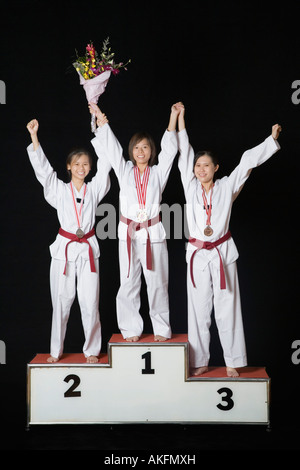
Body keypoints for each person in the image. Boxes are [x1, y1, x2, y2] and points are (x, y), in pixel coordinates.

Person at [177, 105, 281, 376]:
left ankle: (233, 362)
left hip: (223, 252)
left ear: (216, 168)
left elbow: (247, 161)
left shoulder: (226, 186)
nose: (201, 169)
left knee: (227, 308)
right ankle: (199, 361)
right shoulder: (190, 186)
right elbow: (184, 151)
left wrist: (271, 140)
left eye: (206, 165)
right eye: (198, 166)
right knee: (198, 310)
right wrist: (181, 122)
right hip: (198, 255)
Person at [90, 102, 181, 342]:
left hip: (153, 232)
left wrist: (172, 117)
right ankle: (130, 329)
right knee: (128, 281)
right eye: (137, 147)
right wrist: (101, 121)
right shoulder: (125, 170)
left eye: (145, 147)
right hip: (128, 233)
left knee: (157, 282)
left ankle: (161, 329)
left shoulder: (159, 173)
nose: (141, 151)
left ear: (152, 151)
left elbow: (170, 151)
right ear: (131, 151)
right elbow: (112, 149)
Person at [26, 115, 110, 363]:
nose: (81, 168)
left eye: (85, 164)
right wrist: (34, 137)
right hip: (64, 251)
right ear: (69, 167)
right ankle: (55, 351)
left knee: (89, 302)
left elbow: (107, 163)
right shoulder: (59, 190)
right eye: (77, 164)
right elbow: (43, 171)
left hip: (88, 251)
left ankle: (92, 350)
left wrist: (98, 127)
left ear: (89, 168)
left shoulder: (94, 189)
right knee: (61, 303)